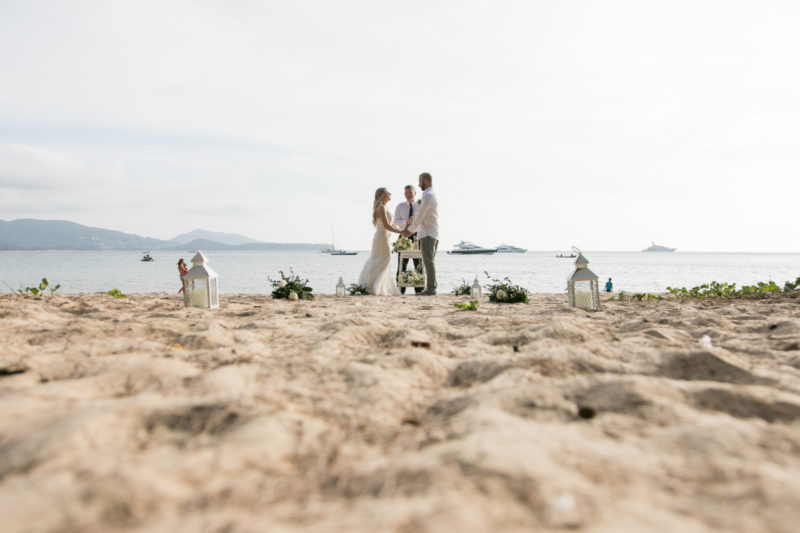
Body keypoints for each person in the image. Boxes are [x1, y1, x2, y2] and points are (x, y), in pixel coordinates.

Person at [357, 188, 404, 295]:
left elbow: (390, 223)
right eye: (388, 192)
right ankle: (372, 286)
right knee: (383, 259)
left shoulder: (386, 207)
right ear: (383, 195)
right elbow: (386, 226)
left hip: (385, 237)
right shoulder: (381, 208)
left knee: (382, 260)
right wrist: (401, 233)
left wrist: (402, 230)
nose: (390, 194)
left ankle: (378, 286)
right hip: (381, 238)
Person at [402, 172, 438, 295]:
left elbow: (420, 217)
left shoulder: (427, 196)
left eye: (420, 181)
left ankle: (431, 288)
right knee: (429, 261)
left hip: (428, 233)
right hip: (431, 232)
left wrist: (409, 230)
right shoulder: (430, 194)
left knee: (428, 261)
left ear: (426, 181)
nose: (418, 184)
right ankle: (431, 287)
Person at [394, 184, 423, 294]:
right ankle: (400, 290)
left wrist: (412, 226)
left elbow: (422, 222)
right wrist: (406, 222)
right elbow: (395, 222)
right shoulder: (400, 206)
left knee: (418, 263)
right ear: (404, 194)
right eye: (406, 192)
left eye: (410, 192)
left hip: (416, 236)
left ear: (415, 193)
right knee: (402, 263)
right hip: (403, 236)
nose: (408, 194)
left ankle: (419, 290)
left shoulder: (420, 206)